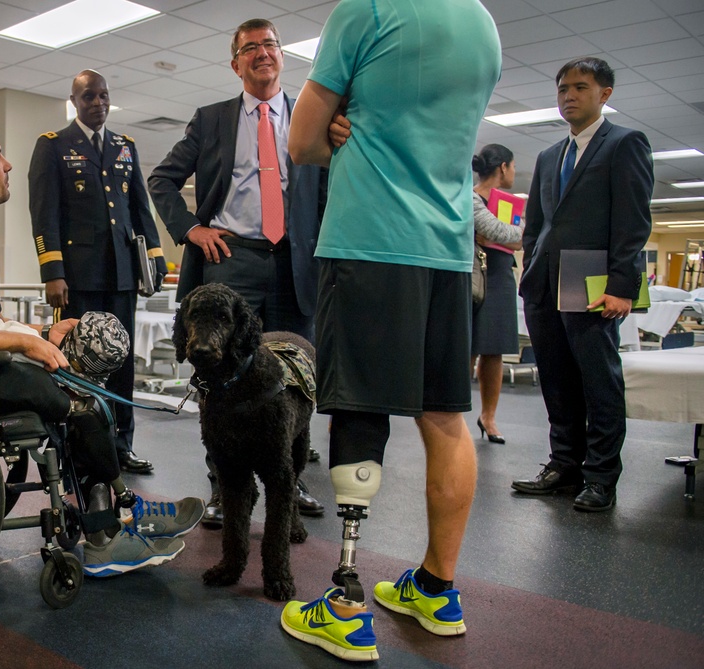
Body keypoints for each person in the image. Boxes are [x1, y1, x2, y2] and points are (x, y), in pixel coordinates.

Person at [0, 116, 203, 579]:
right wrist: (21, 345)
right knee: (75, 401)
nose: (7, 164)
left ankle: (121, 511)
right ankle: (105, 534)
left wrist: (36, 334)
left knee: (80, 391)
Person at [279, 0, 501, 661]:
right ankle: (436, 589)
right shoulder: (483, 24)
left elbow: (302, 141)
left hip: (370, 240)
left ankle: (345, 604)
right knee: (445, 416)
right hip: (448, 251)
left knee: (358, 404)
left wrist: (344, 126)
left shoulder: (369, 8)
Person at [148, 18, 326, 526]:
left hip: (296, 261)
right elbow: (162, 179)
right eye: (250, 48)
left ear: (282, 55)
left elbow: (329, 190)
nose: (262, 53)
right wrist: (191, 229)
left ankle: (291, 485)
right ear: (236, 64)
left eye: (269, 44)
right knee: (220, 376)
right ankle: (224, 486)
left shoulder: (308, 116)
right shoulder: (212, 119)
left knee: (296, 376)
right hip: (233, 258)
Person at [512, 57, 653, 512]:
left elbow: (632, 222)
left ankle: (601, 477)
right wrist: (531, 265)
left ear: (604, 94)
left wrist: (622, 286)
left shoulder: (624, 143)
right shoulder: (551, 155)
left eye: (579, 87)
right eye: (562, 89)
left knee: (598, 381)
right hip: (545, 282)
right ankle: (564, 464)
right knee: (555, 379)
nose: (568, 96)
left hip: (592, 279)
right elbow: (536, 224)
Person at [29, 70, 168, 476]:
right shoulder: (54, 146)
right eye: (89, 96)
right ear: (74, 101)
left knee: (122, 362)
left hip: (121, 275)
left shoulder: (125, 147)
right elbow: (44, 213)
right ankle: (76, 448)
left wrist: (155, 257)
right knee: (75, 363)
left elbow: (140, 207)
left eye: (104, 95)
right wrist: (52, 271)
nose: (98, 103)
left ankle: (122, 445)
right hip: (76, 279)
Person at [471, 144, 524, 443]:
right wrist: (502, 235)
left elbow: (515, 238)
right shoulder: (470, 196)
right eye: (513, 166)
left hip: (502, 276)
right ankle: (451, 415)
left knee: (495, 349)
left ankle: (488, 417)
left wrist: (495, 235)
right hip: (474, 275)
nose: (513, 172)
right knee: (467, 348)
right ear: (503, 167)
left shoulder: (509, 203)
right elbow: (502, 233)